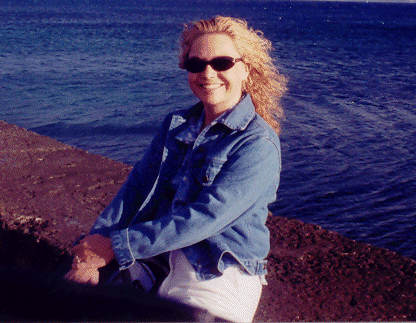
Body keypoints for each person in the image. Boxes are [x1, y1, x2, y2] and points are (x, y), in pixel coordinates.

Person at [65, 16, 288, 322]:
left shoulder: (258, 144)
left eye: (221, 62)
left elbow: (203, 218)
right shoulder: (177, 126)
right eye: (197, 65)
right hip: (157, 263)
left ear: (246, 69)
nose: (208, 73)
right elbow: (134, 192)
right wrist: (93, 250)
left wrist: (116, 246)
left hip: (215, 275)